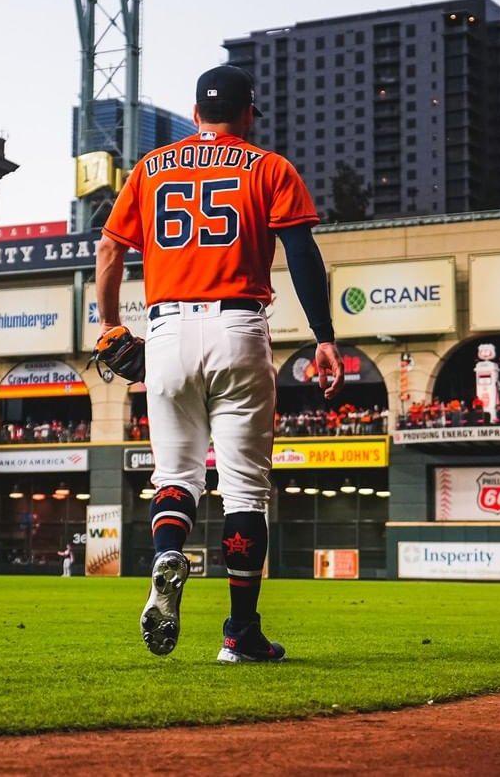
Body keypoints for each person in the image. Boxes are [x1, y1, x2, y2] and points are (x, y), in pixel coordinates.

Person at [96, 65, 343, 664]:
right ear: (249, 112)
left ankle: (165, 556)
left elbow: (109, 248)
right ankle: (239, 634)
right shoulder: (270, 167)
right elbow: (303, 254)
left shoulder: (150, 169)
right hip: (238, 327)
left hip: (167, 331)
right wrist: (324, 337)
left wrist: (109, 326)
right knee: (244, 491)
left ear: (195, 110)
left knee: (175, 478)